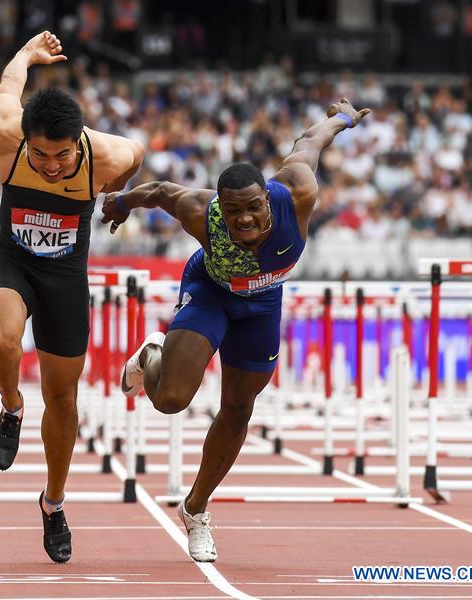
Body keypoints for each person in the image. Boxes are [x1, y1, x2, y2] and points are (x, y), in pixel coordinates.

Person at [102, 98, 371, 562]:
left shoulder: (299, 192)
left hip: (263, 305)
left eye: (252, 208)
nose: (243, 219)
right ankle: (153, 355)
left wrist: (342, 117)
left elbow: (310, 142)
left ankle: (195, 509)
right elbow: (164, 191)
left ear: (268, 199)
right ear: (220, 209)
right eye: (233, 212)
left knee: (238, 409)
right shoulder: (201, 212)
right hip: (211, 291)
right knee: (170, 400)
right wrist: (122, 203)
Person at [0, 31, 144, 563]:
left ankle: (53, 503)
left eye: (62, 155)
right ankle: (10, 408)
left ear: (81, 143)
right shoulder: (5, 132)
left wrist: (114, 200)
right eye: (42, 154)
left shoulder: (109, 153)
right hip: (11, 255)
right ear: (25, 141)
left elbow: (135, 159)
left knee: (64, 399)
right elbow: (10, 84)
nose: (51, 165)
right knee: (4, 344)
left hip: (66, 275)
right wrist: (26, 54)